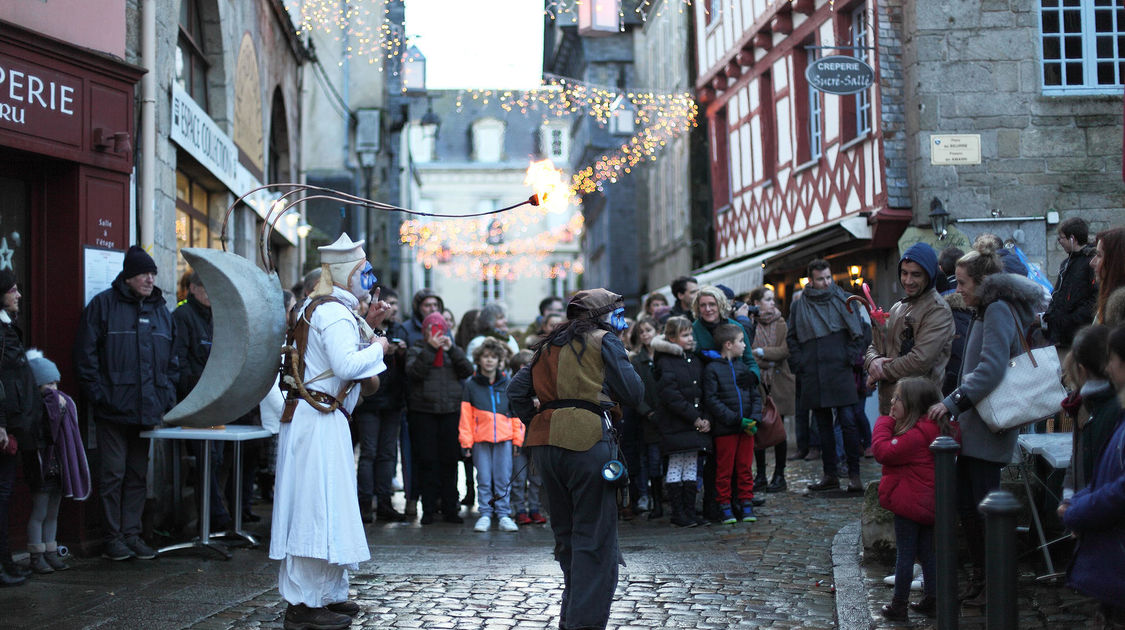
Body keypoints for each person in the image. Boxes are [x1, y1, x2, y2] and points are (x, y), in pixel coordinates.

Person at [270, 233, 388, 630]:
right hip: (316, 418)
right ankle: (303, 606)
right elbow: (347, 366)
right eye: (363, 271)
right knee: (313, 508)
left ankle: (327, 595)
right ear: (346, 274)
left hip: (322, 417)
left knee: (328, 505)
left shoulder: (327, 308)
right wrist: (380, 348)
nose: (368, 279)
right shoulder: (332, 311)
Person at [508, 288, 643, 630]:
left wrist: (538, 421)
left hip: (546, 444)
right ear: (602, 316)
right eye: (618, 314)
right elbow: (634, 393)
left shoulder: (549, 344)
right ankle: (582, 625)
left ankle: (572, 619)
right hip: (587, 442)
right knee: (594, 540)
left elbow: (515, 391)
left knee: (568, 537)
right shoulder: (604, 340)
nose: (622, 322)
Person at [927, 243, 1044, 607]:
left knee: (981, 509)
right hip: (976, 427)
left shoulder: (995, 310)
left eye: (962, 283)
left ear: (982, 282)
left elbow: (991, 369)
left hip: (987, 427)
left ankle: (994, 581)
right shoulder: (985, 308)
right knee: (969, 506)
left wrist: (953, 402)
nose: (957, 289)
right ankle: (983, 577)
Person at [74, 246, 178, 562]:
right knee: (112, 475)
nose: (150, 279)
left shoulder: (161, 310)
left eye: (153, 274)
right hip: (113, 411)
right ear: (129, 276)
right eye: (144, 274)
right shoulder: (103, 306)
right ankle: (112, 537)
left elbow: (173, 360)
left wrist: (166, 396)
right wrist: (100, 395)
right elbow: (85, 356)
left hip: (147, 410)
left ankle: (132, 534)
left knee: (136, 475)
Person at [871, 377, 956, 621]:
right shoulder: (932, 430)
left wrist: (884, 421)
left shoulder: (917, 436)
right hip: (928, 505)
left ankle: (899, 604)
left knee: (906, 554)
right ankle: (933, 597)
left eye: (898, 398)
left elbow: (883, 451)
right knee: (927, 552)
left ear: (914, 405)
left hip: (910, 505)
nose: (892, 401)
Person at [1063, 323, 1125, 629]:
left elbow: (1118, 491)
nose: (1109, 366)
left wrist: (1078, 509)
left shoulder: (1110, 411)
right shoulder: (1102, 409)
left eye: (1113, 359)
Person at [787, 259, 868, 492]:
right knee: (822, 427)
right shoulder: (799, 305)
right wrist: (800, 363)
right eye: (820, 279)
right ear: (810, 280)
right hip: (812, 367)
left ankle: (854, 475)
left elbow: (858, 332)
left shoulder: (842, 298)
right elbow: (792, 337)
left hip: (839, 366)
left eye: (828, 278)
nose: (825, 283)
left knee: (848, 422)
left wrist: (849, 358)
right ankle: (830, 474)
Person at [172, 272, 234, 531]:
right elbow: (180, 361)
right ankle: (214, 519)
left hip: (215, 401)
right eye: (207, 289)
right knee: (205, 459)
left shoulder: (214, 316)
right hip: (195, 401)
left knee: (217, 460)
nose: (211, 295)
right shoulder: (183, 316)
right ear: (194, 289)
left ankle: (214, 516)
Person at [864, 243, 955, 416]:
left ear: (929, 275)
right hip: (890, 409)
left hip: (919, 410)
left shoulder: (937, 310)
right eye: (904, 273)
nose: (908, 280)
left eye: (916, 274)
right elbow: (876, 345)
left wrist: (881, 371)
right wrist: (872, 362)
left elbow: (919, 361)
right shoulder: (898, 306)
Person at [23, 351, 90, 574]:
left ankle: (50, 552)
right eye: (47, 383)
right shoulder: (34, 408)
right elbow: (45, 429)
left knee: (53, 513)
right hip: (41, 467)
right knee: (40, 512)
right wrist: (53, 406)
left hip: (59, 468)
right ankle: (36, 555)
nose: (53, 388)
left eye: (54, 382)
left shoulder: (62, 402)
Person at [405, 311, 474, 525]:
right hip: (423, 413)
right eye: (431, 329)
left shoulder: (453, 350)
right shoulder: (416, 349)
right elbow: (414, 373)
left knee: (450, 462)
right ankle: (428, 509)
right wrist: (431, 350)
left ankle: (450, 508)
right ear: (424, 332)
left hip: (450, 412)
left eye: (440, 329)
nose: (436, 333)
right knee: (427, 462)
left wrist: (451, 349)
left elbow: (467, 370)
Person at [354, 286, 409, 523]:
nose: (392, 308)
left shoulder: (399, 330)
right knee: (369, 453)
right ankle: (365, 503)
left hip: (394, 399)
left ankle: (384, 502)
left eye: (395, 303)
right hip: (370, 399)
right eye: (388, 303)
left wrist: (402, 353)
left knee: (387, 453)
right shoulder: (363, 329)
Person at [0, 271, 40, 584]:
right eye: (13, 290)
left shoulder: (8, 327)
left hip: (14, 423)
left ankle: (7, 563)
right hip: (5, 427)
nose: (19, 295)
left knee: (6, 493)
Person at [652, 316, 711, 527]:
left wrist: (704, 418)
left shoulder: (694, 359)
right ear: (671, 338)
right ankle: (678, 513)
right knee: (676, 467)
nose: (689, 338)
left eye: (690, 334)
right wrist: (694, 417)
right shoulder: (665, 361)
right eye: (684, 335)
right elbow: (670, 395)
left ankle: (689, 510)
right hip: (676, 424)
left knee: (691, 469)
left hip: (693, 424)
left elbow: (702, 391)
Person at [459, 337, 522, 533]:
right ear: (479, 359)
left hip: (504, 439)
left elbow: (516, 414)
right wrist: (466, 442)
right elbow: (466, 416)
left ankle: (503, 514)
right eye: (485, 357)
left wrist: (517, 440)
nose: (489, 361)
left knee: (503, 479)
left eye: (493, 357)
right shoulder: (471, 384)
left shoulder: (509, 383)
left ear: (500, 360)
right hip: (480, 441)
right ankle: (485, 514)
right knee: (484, 479)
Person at [1057, 325, 1121, 517]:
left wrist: (1077, 509)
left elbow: (1112, 486)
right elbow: (1077, 457)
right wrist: (1069, 498)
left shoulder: (1109, 410)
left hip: (1103, 526)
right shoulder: (1085, 404)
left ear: (1081, 370)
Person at [703, 323, 762, 524]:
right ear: (728, 344)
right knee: (725, 470)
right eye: (741, 341)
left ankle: (746, 503)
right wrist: (737, 420)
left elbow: (755, 395)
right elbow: (712, 400)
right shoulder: (712, 369)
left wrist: (754, 418)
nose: (744, 345)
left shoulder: (743, 367)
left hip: (747, 430)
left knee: (745, 467)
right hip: (726, 430)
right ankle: (724, 506)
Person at [748, 286, 794, 491]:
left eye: (773, 299)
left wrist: (760, 352)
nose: (772, 303)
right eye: (768, 299)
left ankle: (779, 475)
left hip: (778, 382)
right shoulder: (749, 323)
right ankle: (760, 475)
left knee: (778, 430)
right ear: (756, 303)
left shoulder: (781, 322)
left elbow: (784, 351)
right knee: (758, 429)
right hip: (758, 383)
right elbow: (747, 354)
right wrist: (766, 357)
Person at [627, 318, 670, 519]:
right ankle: (652, 498)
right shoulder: (637, 361)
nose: (645, 335)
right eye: (641, 332)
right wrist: (647, 412)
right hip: (648, 419)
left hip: (669, 416)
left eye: (648, 330)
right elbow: (635, 393)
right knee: (651, 460)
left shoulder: (666, 356)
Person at [1042, 217, 1098, 349]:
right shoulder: (1066, 264)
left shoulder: (1090, 262)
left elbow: (1094, 298)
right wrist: (1049, 317)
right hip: (1059, 335)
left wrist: (1071, 320)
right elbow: (1058, 295)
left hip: (1077, 335)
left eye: (1061, 237)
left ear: (1072, 238)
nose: (1059, 242)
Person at [507, 350, 545, 525]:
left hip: (536, 439)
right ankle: (520, 510)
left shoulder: (543, 388)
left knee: (536, 478)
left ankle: (535, 508)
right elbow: (511, 419)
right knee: (518, 479)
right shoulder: (513, 391)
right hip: (518, 440)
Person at [1092, 226, 1125, 325]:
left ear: (1116, 261)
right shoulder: (1108, 300)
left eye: (1099, 255)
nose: (1092, 262)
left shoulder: (1120, 310)